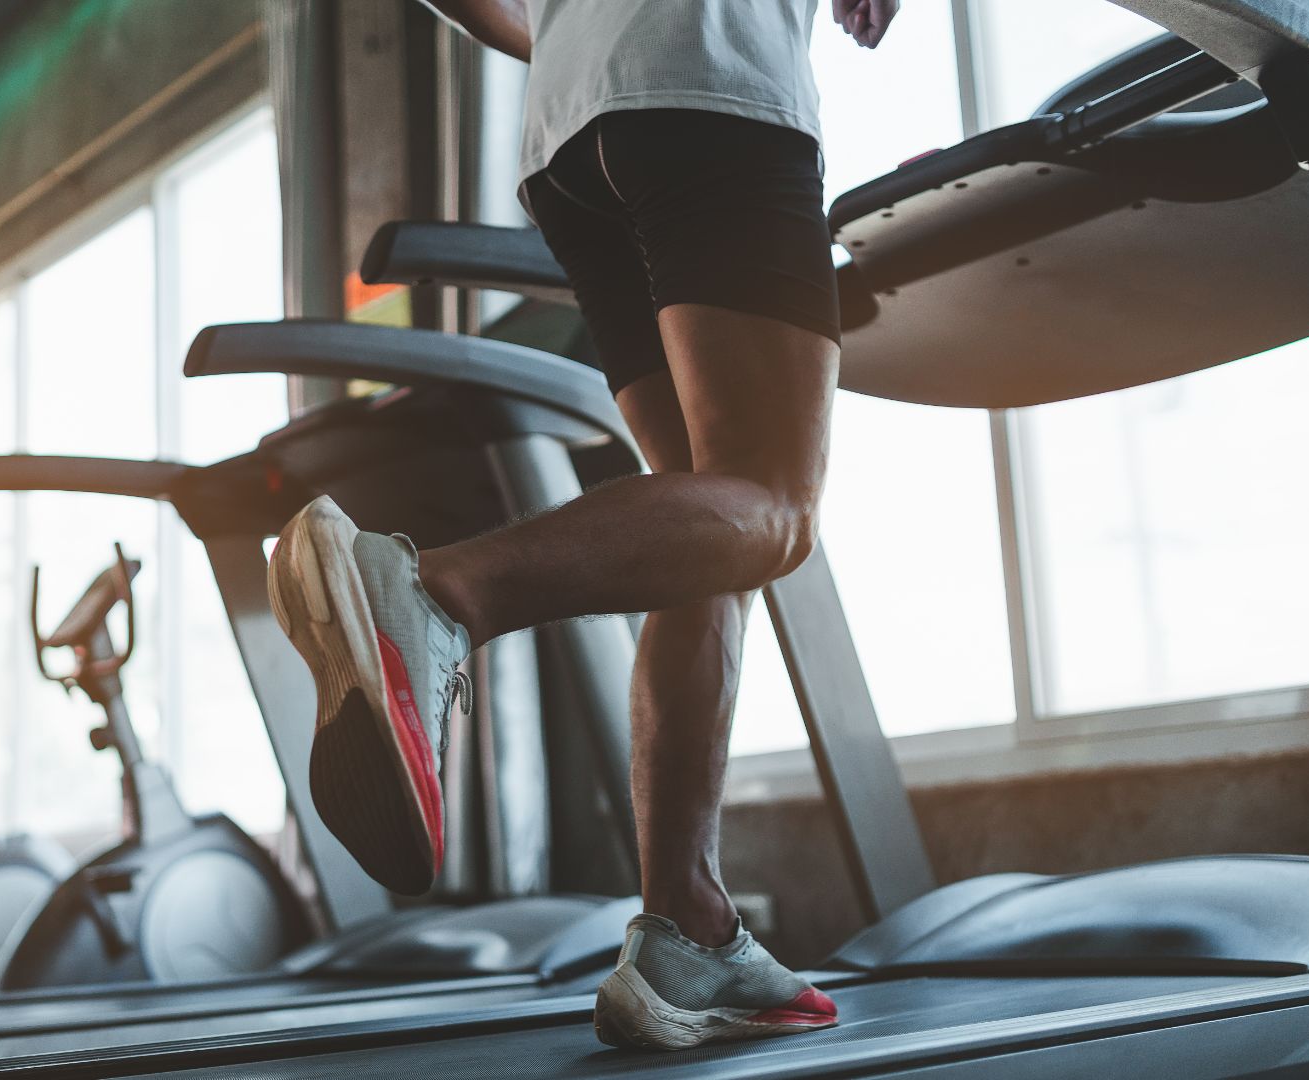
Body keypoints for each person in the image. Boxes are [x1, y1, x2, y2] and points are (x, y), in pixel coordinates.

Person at [267, 0, 899, 1052]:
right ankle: (435, 594)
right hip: (711, 80)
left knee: (707, 519)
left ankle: (687, 925)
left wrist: (574, 31)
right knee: (774, 509)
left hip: (566, 134)